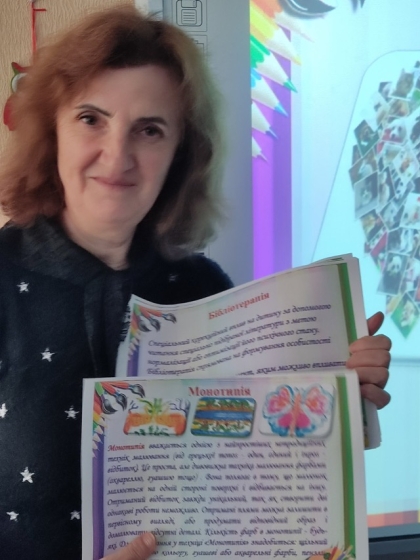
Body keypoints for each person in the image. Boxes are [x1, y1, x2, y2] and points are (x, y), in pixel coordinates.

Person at [0, 5, 391, 560]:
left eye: (150, 130)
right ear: (52, 130)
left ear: (180, 153)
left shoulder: (204, 288)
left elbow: (252, 470)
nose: (117, 155)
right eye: (91, 119)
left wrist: (342, 401)